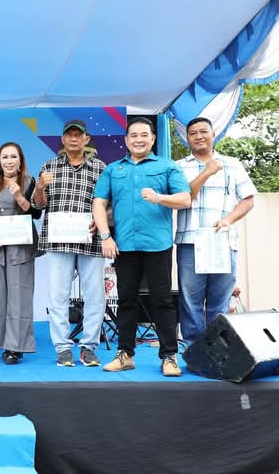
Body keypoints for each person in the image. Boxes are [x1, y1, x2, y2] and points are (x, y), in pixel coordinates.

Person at [93, 117, 190, 377]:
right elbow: (99, 203)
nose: (138, 139)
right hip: (124, 245)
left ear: (153, 138)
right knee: (126, 300)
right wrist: (105, 236)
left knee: (162, 300)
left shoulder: (167, 166)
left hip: (157, 244)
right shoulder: (113, 169)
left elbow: (185, 199)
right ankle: (125, 355)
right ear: (126, 140)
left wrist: (159, 198)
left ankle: (169, 356)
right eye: (133, 135)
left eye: (144, 135)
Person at [174, 117, 257, 342]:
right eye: (193, 133)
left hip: (223, 242)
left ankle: (218, 349)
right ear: (187, 138)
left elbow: (248, 199)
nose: (199, 136)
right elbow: (183, 198)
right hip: (190, 242)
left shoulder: (232, 164)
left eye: (203, 131)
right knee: (190, 301)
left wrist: (229, 219)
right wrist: (207, 172)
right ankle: (192, 349)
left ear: (213, 134)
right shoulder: (179, 166)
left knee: (219, 300)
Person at [31, 120, 106, 368]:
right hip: (59, 241)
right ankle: (63, 348)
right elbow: (39, 204)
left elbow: (109, 202)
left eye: (78, 135)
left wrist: (101, 220)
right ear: (63, 140)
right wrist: (40, 186)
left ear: (87, 139)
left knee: (95, 296)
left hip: (89, 240)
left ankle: (89, 347)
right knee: (58, 297)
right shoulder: (49, 166)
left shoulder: (100, 168)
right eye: (69, 135)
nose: (73, 138)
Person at [0, 142, 40, 365]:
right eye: (4, 157)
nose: (9, 161)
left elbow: (35, 212)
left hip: (21, 247)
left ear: (20, 161)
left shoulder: (29, 182)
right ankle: (3, 342)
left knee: (20, 296)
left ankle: (15, 346)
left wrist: (20, 197)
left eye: (13, 157)